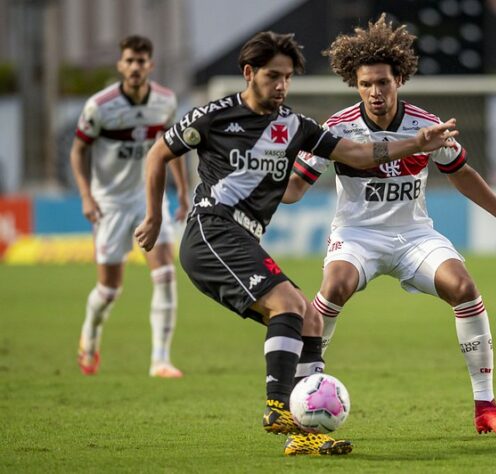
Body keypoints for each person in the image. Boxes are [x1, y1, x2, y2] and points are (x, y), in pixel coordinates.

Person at [133, 31, 458, 456]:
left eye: (287, 77)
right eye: (273, 76)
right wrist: (154, 215)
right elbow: (158, 153)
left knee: (310, 319)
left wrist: (415, 143)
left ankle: (305, 435)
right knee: (288, 303)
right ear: (249, 73)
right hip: (212, 231)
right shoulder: (214, 115)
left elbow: (357, 154)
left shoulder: (297, 127)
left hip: (243, 237)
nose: (281, 85)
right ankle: (278, 406)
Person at [282, 14, 496, 437]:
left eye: (383, 83)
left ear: (399, 80)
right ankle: (301, 393)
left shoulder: (427, 126)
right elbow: (297, 187)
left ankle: (486, 406)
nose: (375, 92)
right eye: (366, 84)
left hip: (413, 236)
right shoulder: (336, 129)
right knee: (333, 288)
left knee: (464, 288)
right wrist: (262, 187)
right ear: (355, 85)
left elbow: (462, 172)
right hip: (357, 235)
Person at [71, 35, 189, 378]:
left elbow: (172, 148)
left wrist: (182, 192)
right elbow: (78, 151)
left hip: (147, 198)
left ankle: (160, 359)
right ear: (121, 65)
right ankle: (89, 337)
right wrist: (85, 195)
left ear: (150, 65)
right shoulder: (100, 106)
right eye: (129, 61)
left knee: (165, 274)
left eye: (141, 61)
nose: (135, 67)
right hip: (109, 202)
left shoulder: (165, 101)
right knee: (109, 290)